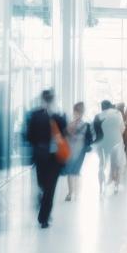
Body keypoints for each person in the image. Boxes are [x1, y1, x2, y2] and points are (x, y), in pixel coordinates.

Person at [24, 89, 67, 228]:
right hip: (55, 158)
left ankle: (42, 204)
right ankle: (44, 218)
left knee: (42, 183)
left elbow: (28, 136)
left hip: (40, 155)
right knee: (50, 187)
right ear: (53, 100)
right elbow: (64, 137)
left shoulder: (35, 116)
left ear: (42, 99)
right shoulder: (59, 117)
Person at [92, 100, 125, 195]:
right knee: (116, 165)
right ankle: (116, 186)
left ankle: (101, 186)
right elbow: (122, 128)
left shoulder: (98, 116)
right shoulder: (118, 114)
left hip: (102, 143)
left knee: (101, 165)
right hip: (116, 142)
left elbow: (95, 131)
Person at [63, 102, 93, 201]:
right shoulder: (86, 124)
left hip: (71, 150)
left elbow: (66, 135)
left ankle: (70, 194)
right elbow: (89, 138)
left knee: (71, 172)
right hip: (80, 150)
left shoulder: (70, 124)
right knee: (75, 172)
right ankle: (74, 193)